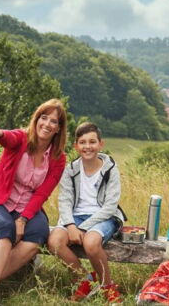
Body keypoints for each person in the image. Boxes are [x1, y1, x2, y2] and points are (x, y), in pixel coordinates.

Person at [0, 99, 68, 306]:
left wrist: (23, 219)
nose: (47, 124)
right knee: (5, 228)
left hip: (26, 207)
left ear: (59, 128)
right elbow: (9, 138)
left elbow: (42, 193)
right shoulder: (22, 139)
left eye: (53, 121)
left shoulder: (58, 158)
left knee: (38, 235)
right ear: (36, 119)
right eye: (44, 118)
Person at [48, 122, 125, 303]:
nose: (87, 146)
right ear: (76, 146)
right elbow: (65, 200)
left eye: (92, 142)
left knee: (91, 243)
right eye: (82, 142)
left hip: (104, 217)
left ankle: (107, 286)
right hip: (75, 216)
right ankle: (85, 280)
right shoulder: (71, 169)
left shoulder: (110, 169)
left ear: (100, 144)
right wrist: (70, 226)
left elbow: (110, 206)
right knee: (54, 242)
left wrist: (82, 228)